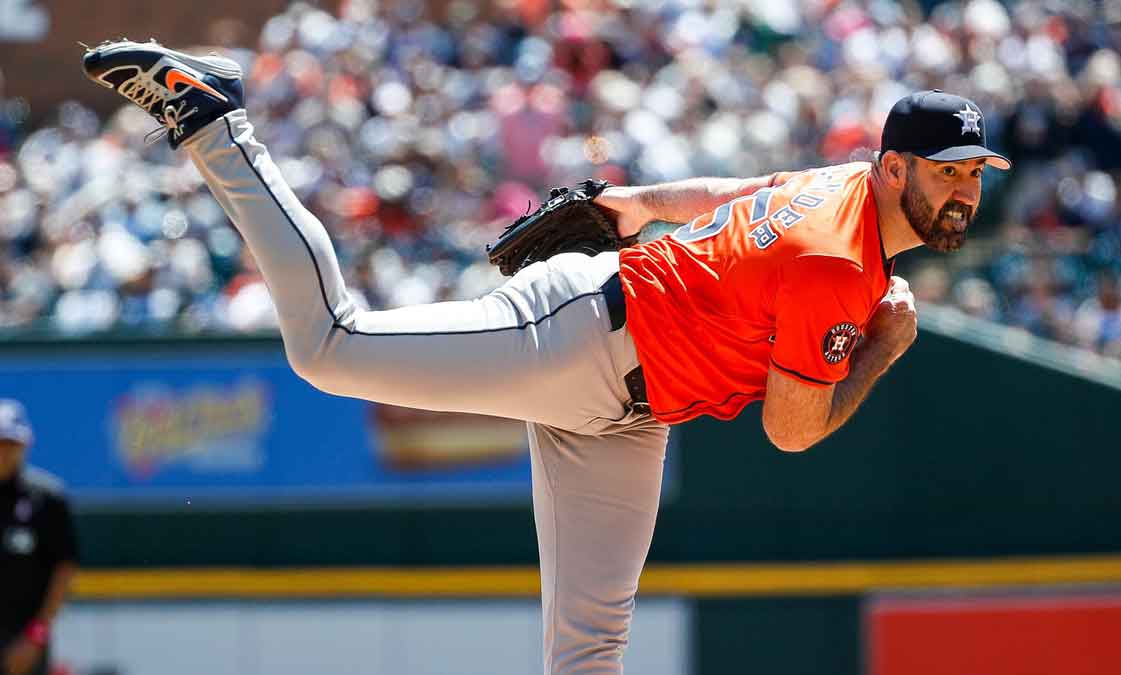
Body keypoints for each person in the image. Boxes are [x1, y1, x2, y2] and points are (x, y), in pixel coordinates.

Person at [82, 40, 1010, 674]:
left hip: (634, 409)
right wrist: (883, 347)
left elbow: (740, 190)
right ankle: (217, 123)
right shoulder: (838, 265)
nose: (964, 190)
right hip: (583, 336)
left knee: (590, 654)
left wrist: (638, 201)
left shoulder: (841, 184)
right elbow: (792, 427)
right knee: (329, 344)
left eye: (972, 172)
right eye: (946, 171)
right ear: (893, 169)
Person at [0, 399, 78, 675]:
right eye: (0, 443)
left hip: (24, 640)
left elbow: (64, 568)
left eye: (11, 443)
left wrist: (36, 635)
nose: (4, 451)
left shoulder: (47, 498)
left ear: (26, 444)